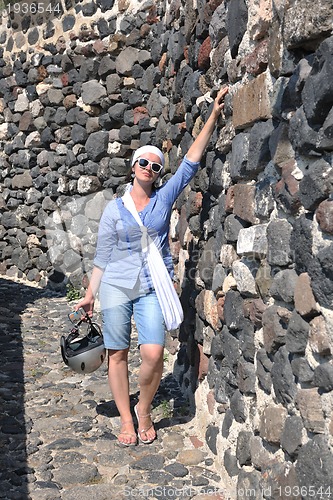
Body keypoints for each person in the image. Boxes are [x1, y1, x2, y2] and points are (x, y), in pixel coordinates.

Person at [76, 86, 229, 446]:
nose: (148, 167)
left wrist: (212, 117)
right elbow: (102, 256)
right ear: (133, 167)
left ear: (159, 173)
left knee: (153, 353)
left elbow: (190, 161)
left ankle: (144, 407)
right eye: (143, 162)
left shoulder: (163, 198)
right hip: (116, 286)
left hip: (150, 287)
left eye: (155, 165)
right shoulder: (115, 209)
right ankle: (127, 420)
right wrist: (88, 296)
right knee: (117, 354)